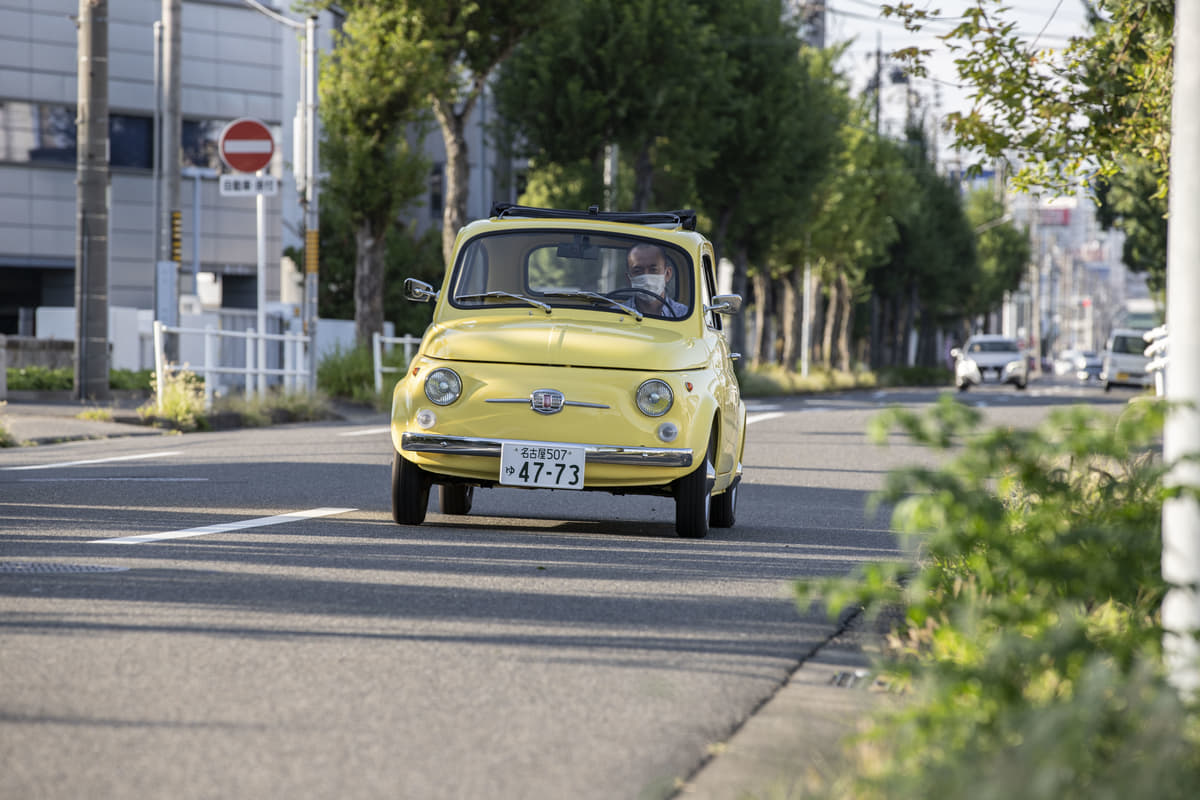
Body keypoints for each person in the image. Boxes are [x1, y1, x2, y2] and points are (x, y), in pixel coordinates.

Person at [625, 243, 688, 318]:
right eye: (638, 271)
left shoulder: (684, 315)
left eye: (653, 270)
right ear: (628, 279)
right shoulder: (615, 314)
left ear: (667, 274)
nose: (646, 279)